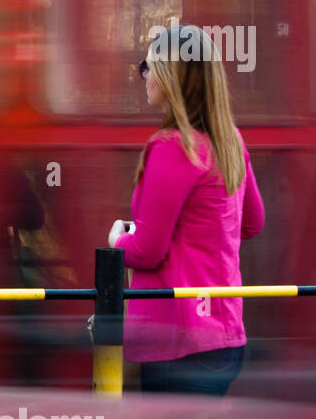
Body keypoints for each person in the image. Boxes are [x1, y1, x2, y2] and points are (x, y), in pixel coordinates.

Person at [108, 24, 265, 396]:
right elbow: (252, 222)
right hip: (224, 335)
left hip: (177, 343)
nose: (144, 76)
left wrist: (118, 239)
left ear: (170, 77)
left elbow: (146, 251)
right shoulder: (229, 140)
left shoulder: (172, 147)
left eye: (149, 66)